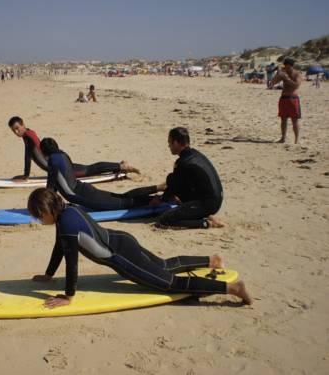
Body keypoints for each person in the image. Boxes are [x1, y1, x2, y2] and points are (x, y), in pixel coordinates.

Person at [27, 188, 253, 309]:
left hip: (121, 257)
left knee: (169, 283)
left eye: (38, 216)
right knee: (163, 265)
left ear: (47, 210)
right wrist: (48, 275)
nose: (39, 220)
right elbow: (60, 247)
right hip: (124, 239)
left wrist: (68, 296)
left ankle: (232, 289)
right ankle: (210, 260)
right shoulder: (69, 210)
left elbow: (71, 263)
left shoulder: (65, 226)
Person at [43, 137, 161, 210]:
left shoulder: (52, 161)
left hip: (83, 196)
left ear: (44, 152)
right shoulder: (63, 155)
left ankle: (159, 198)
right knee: (121, 198)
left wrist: (49, 205)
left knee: (123, 203)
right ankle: (159, 192)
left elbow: (50, 188)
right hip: (83, 189)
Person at [8, 116, 140, 180]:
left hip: (62, 168)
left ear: (23, 125)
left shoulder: (29, 135)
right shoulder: (26, 137)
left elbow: (36, 152)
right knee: (89, 168)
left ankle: (122, 167)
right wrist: (26, 174)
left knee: (89, 170)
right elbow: (29, 156)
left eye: (17, 128)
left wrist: (27, 175)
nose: (16, 132)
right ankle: (119, 165)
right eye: (13, 130)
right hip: (59, 164)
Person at [150, 127, 224, 229]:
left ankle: (206, 223)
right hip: (216, 199)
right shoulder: (196, 154)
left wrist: (161, 199)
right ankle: (203, 214)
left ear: (176, 143)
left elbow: (173, 186)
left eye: (170, 143)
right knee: (172, 178)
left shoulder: (183, 162)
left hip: (208, 204)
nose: (168, 146)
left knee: (165, 220)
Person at [271, 57, 302, 144]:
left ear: (292, 66)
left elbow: (296, 86)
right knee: (283, 119)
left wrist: (286, 79)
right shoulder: (284, 74)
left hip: (293, 98)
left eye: (289, 67)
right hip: (284, 98)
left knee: (294, 120)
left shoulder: (297, 74)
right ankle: (283, 138)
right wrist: (278, 74)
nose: (287, 69)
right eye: (286, 67)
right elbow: (272, 83)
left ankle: (296, 140)